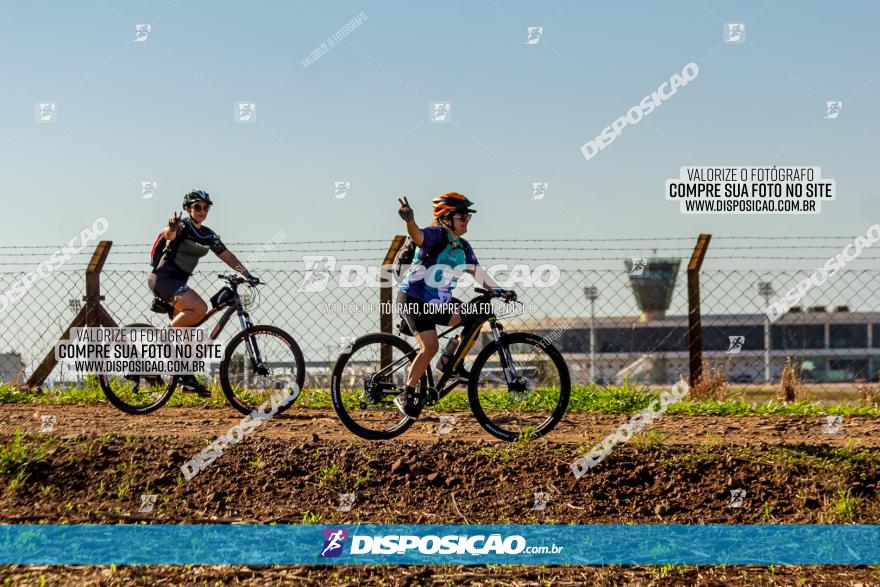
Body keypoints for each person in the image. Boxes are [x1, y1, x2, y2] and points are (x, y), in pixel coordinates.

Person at [394, 192, 504, 419]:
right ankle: (406, 393)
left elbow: (477, 273)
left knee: (476, 315)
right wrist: (409, 221)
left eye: (468, 216)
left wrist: (499, 290)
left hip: (439, 301)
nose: (466, 220)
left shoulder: (463, 246)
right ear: (446, 218)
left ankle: (449, 364)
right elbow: (418, 236)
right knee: (430, 347)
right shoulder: (437, 235)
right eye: (461, 216)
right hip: (414, 299)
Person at [148, 189, 257, 396]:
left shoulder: (207, 234)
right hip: (163, 279)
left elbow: (226, 255)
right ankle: (163, 336)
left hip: (178, 283)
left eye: (206, 207)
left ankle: (186, 379)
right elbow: (168, 234)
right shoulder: (182, 226)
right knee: (200, 308)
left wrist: (247, 274)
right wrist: (171, 227)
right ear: (187, 208)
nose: (202, 210)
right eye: (197, 206)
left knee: (189, 333)